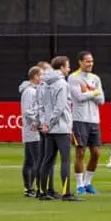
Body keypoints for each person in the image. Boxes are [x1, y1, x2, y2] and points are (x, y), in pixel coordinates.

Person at [39, 56, 80, 201]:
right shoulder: (62, 83)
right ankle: (66, 193)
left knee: (47, 159)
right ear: (61, 67)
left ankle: (43, 192)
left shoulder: (43, 83)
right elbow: (60, 107)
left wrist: (45, 123)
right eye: (68, 66)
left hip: (48, 129)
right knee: (65, 160)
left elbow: (42, 106)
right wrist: (50, 123)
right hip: (61, 128)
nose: (69, 69)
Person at [68, 51, 105, 195]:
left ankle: (88, 183)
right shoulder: (73, 78)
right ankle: (79, 185)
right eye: (87, 61)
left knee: (96, 153)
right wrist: (94, 92)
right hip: (79, 119)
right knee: (80, 152)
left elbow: (101, 100)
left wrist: (90, 92)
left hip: (94, 120)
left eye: (92, 61)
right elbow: (78, 97)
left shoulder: (95, 78)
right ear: (80, 62)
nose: (90, 64)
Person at [34, 61, 57, 199]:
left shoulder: (43, 87)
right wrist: (42, 122)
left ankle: (47, 188)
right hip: (45, 125)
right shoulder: (42, 88)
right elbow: (41, 107)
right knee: (45, 158)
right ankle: (43, 189)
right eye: (47, 71)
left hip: (45, 123)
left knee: (47, 158)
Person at [19, 66, 42, 197]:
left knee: (30, 160)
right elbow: (29, 111)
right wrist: (35, 123)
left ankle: (29, 188)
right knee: (36, 160)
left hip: (30, 129)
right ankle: (36, 188)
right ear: (35, 76)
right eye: (41, 75)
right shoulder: (30, 92)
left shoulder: (31, 90)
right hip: (32, 130)